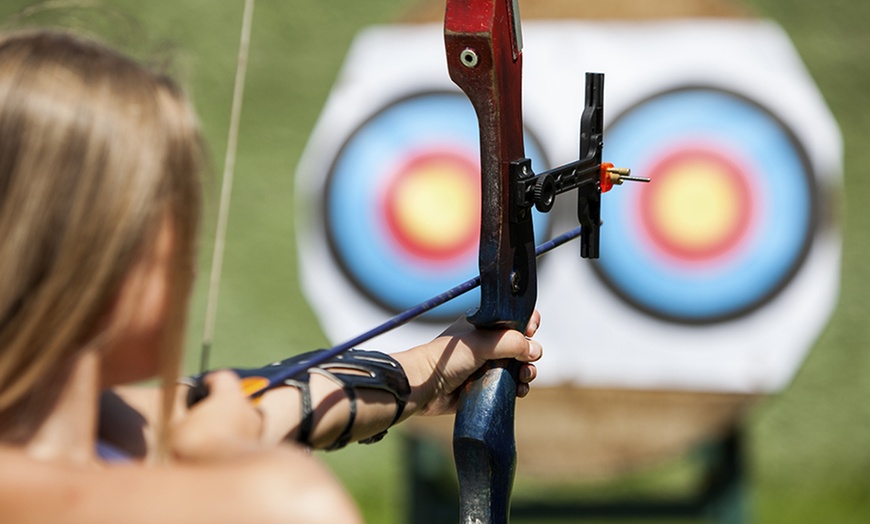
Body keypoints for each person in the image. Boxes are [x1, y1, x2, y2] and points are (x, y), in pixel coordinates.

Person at [0, 30, 543, 523]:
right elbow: (290, 498)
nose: (190, 264)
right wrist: (222, 456)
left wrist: (432, 368)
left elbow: (281, 403)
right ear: (97, 253)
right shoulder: (259, 498)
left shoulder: (108, 425)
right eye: (175, 223)